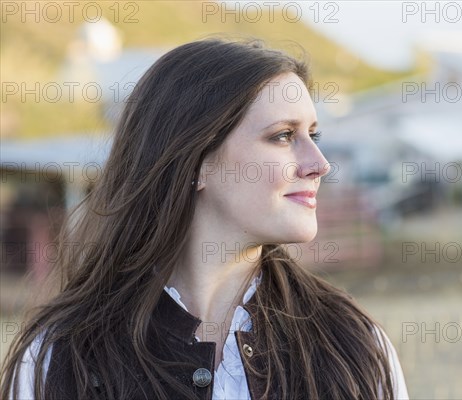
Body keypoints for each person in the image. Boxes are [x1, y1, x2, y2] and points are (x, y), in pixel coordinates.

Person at [1, 37, 409, 400]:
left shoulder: (354, 346)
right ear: (195, 161)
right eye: (284, 136)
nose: (319, 164)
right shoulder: (61, 354)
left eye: (313, 136)